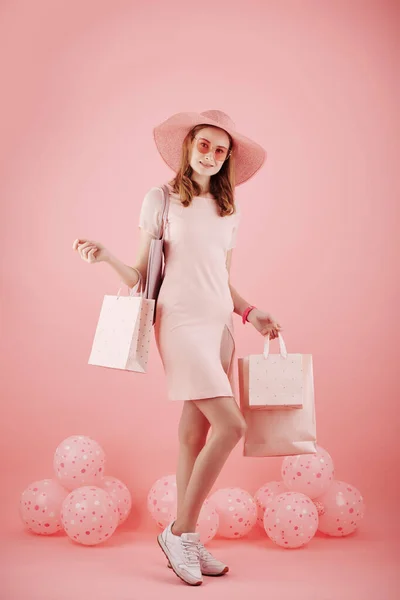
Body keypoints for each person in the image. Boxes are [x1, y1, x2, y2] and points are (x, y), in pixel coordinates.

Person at [72, 109, 282, 586]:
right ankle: (181, 531)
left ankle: (187, 538)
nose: (210, 154)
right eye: (203, 145)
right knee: (231, 426)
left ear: (227, 159)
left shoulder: (229, 210)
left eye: (220, 149)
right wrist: (107, 257)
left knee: (194, 435)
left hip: (218, 326)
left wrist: (250, 313)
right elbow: (143, 275)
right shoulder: (160, 199)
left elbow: (221, 282)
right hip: (180, 323)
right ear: (188, 148)